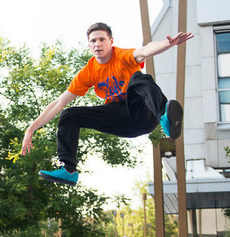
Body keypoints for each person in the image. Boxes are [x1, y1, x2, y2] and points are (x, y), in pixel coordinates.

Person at [21, 22, 192, 185]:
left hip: (143, 115)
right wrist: (31, 129)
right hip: (121, 121)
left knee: (140, 79)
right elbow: (59, 102)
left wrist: (169, 44)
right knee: (69, 114)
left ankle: (165, 117)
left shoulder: (123, 56)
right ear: (89, 45)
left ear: (111, 41)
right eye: (93, 41)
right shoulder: (89, 72)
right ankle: (68, 170)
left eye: (102, 39)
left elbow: (145, 51)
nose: (98, 44)